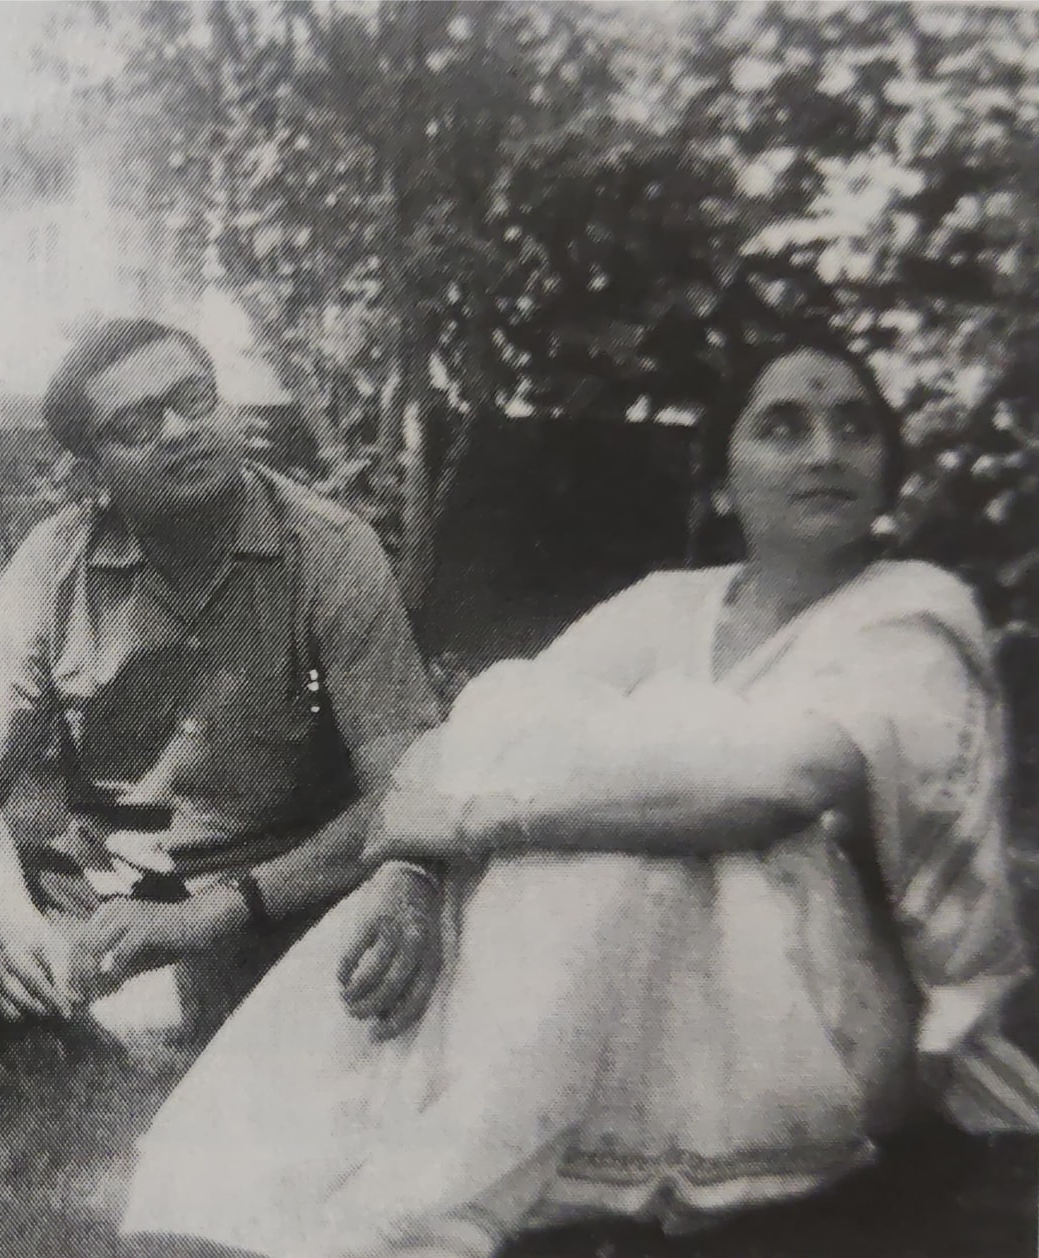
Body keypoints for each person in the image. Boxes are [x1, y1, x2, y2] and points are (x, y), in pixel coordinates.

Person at [122, 335, 1039, 1256]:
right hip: (667, 1001)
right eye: (783, 427)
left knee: (615, 829)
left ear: (888, 470)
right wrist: (412, 867)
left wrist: (483, 821)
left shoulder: (912, 614)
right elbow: (481, 728)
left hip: (823, 1025)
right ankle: (429, 1167)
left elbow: (774, 790)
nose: (825, 452)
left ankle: (447, 1195)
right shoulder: (672, 606)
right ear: (722, 480)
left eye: (854, 427)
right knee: (530, 714)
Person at [0, 318, 440, 1057]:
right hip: (102, 895)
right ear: (94, 469)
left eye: (193, 399)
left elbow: (404, 787)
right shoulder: (54, 561)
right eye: (136, 424)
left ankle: (154, 1010)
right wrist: (25, 931)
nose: (178, 431)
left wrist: (212, 916)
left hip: (271, 897)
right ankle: (68, 995)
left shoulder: (330, 551)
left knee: (379, 931)